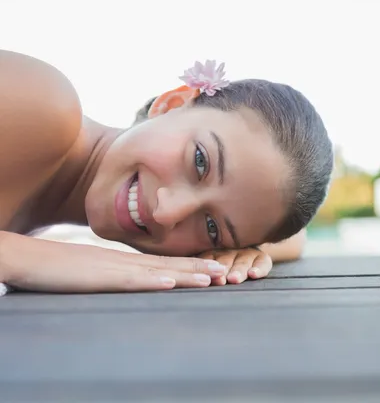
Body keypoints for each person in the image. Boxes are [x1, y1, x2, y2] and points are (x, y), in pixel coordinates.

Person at [0, 51, 333, 295]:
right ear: (171, 103)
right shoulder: (43, 105)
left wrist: (231, 256)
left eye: (211, 226)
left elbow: (291, 238)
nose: (166, 212)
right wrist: (22, 259)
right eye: (200, 162)